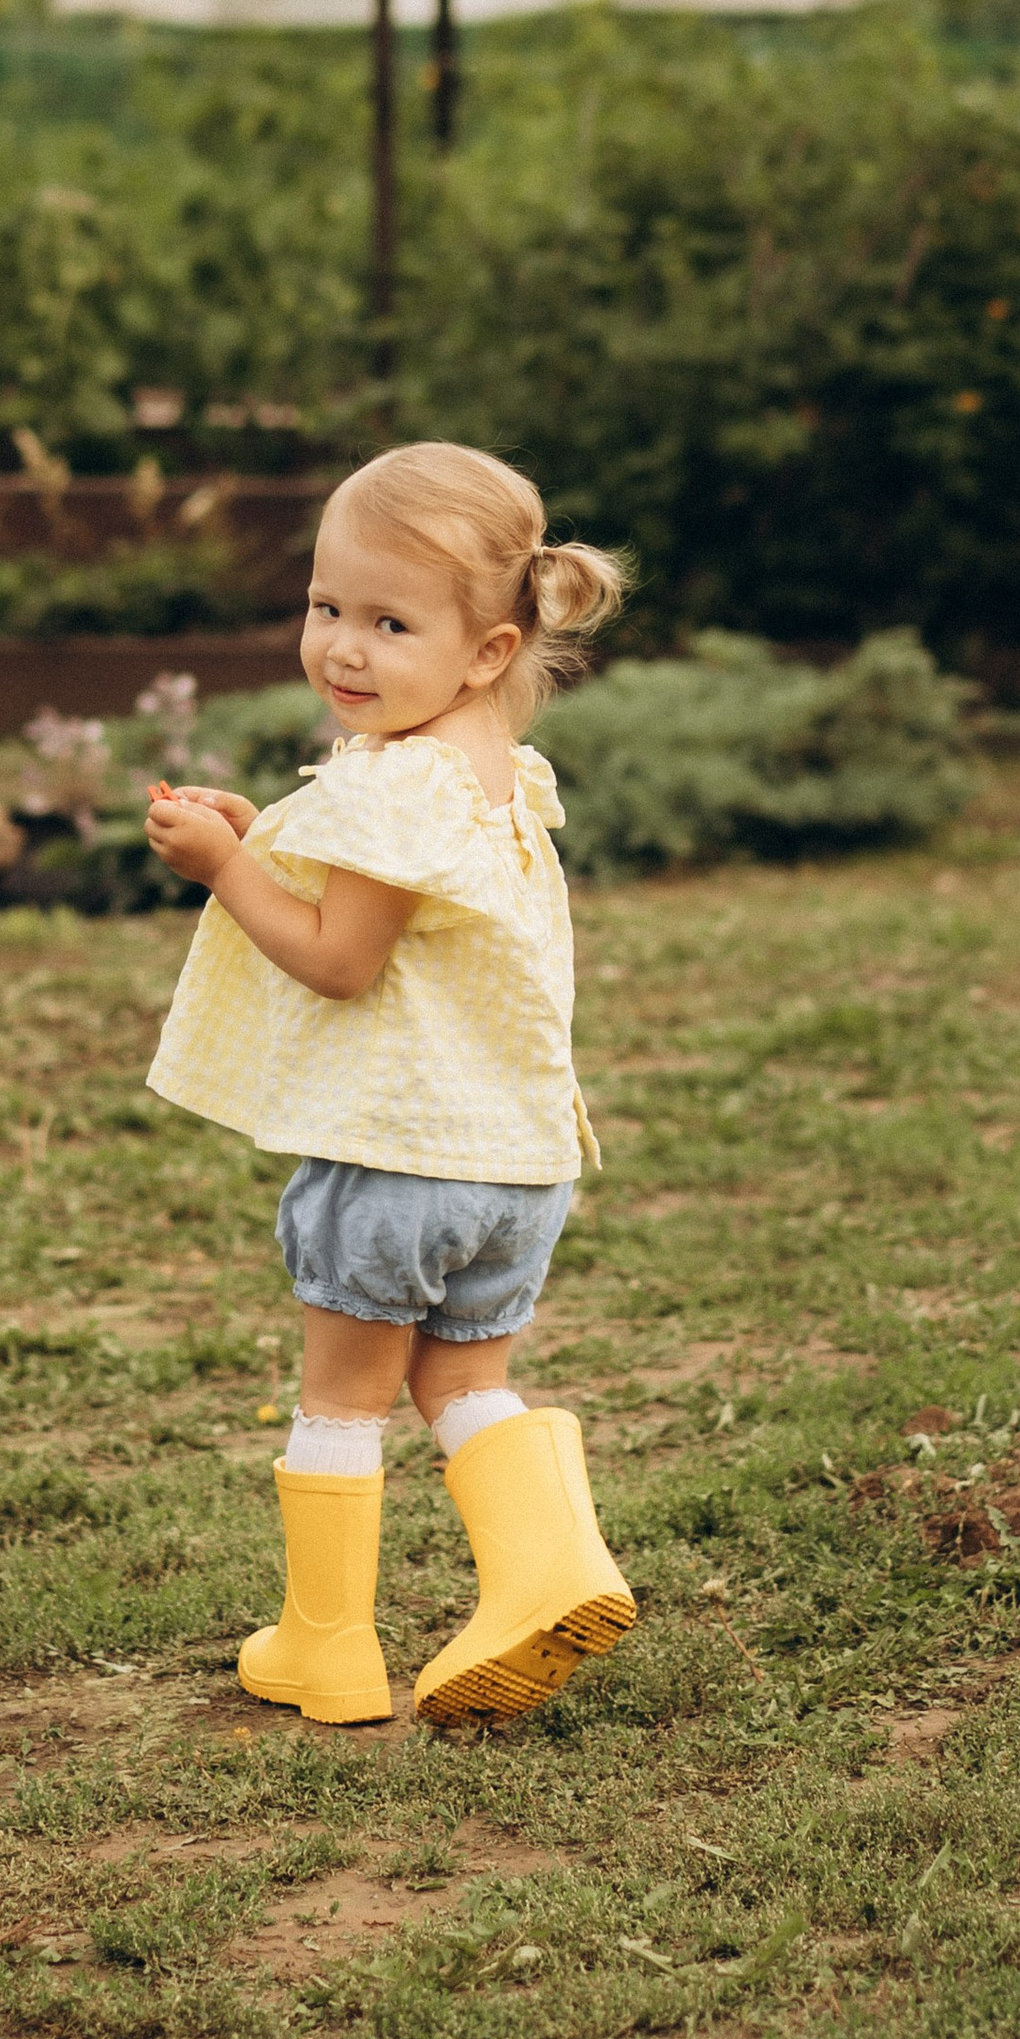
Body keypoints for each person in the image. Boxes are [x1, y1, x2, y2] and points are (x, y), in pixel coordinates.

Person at [142, 442, 632, 1732]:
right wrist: (269, 840)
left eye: (388, 623)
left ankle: (328, 1650)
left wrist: (219, 870)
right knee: (465, 1387)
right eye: (325, 608)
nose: (343, 650)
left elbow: (339, 960)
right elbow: (390, 901)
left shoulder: (389, 776)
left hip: (401, 1164)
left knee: (341, 1403)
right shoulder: (493, 767)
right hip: (519, 1169)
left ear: (485, 649)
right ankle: (549, 1566)